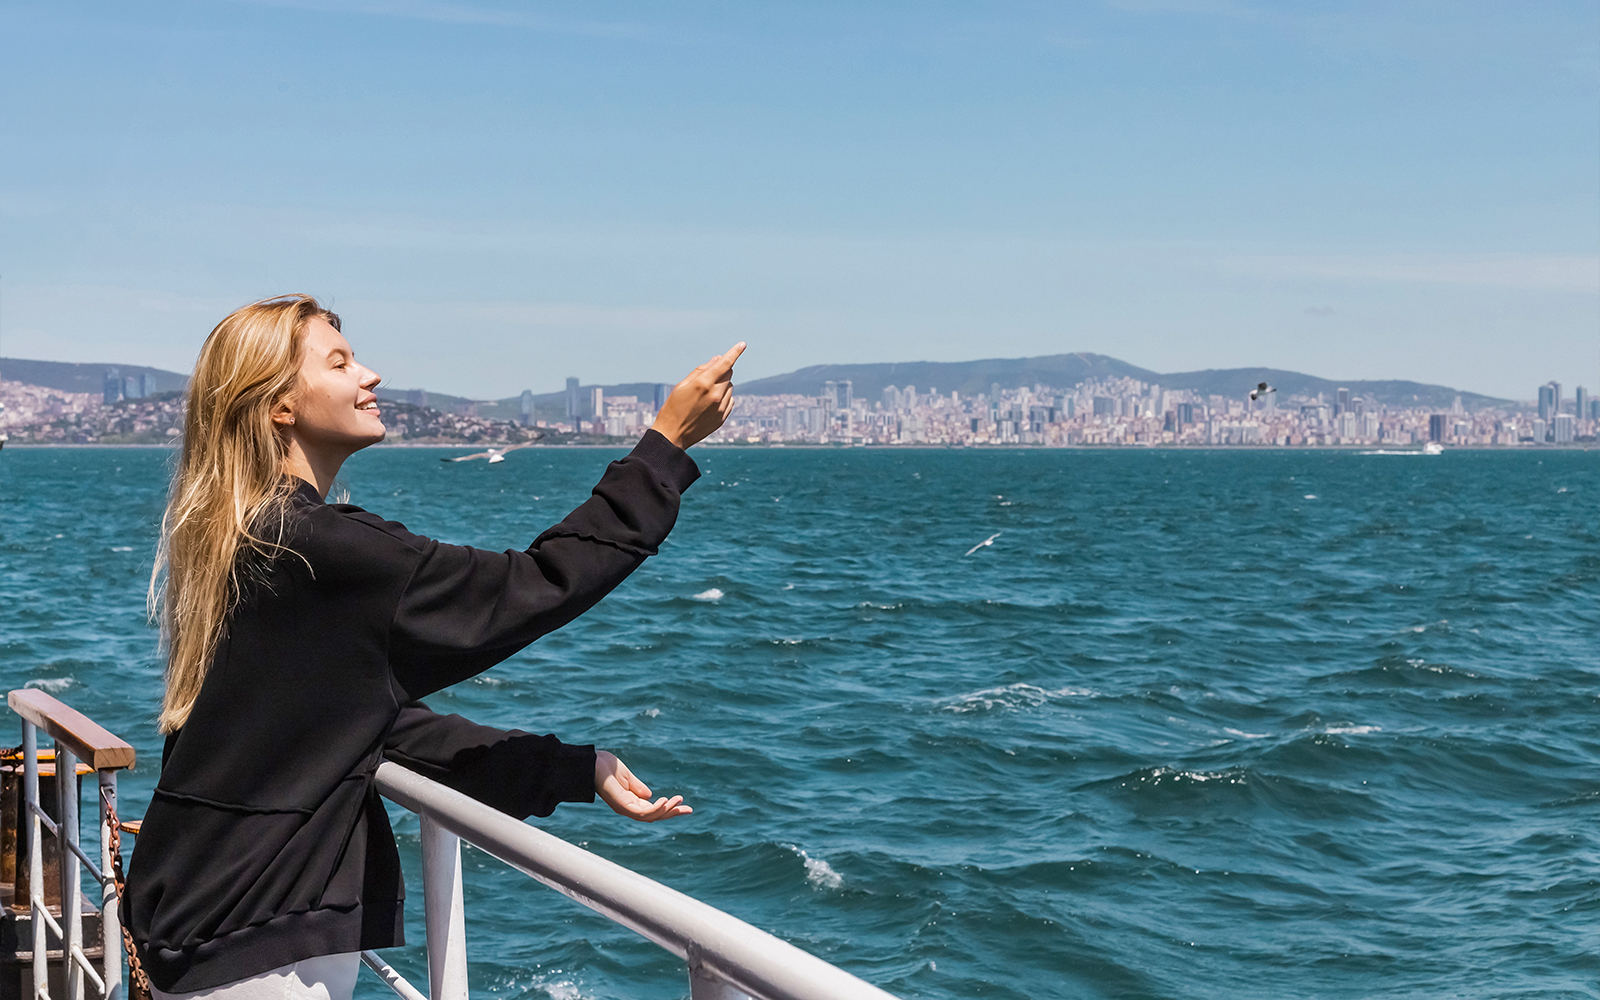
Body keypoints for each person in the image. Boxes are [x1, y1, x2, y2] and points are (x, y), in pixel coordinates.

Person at [123, 294, 744, 1000]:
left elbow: (365, 725)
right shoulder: (327, 550)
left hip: (202, 925)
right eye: (340, 361)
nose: (372, 374)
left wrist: (574, 769)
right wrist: (664, 446)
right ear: (278, 406)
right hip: (256, 956)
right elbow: (540, 584)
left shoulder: (251, 538)